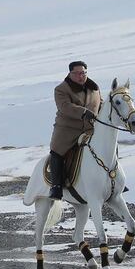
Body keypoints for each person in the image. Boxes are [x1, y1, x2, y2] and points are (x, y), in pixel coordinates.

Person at [48, 61, 101, 200]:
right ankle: (56, 187)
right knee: (56, 151)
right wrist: (83, 112)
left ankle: (113, 177)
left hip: (90, 129)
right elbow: (64, 106)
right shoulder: (61, 89)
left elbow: (100, 105)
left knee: (107, 146)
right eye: (77, 73)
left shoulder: (94, 88)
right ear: (70, 73)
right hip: (67, 130)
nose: (80, 76)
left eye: (83, 73)